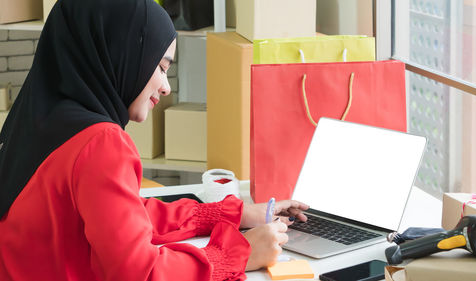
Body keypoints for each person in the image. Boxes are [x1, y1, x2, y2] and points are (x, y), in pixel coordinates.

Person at [0, 0, 309, 280]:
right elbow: (140, 273)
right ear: (121, 53)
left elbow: (124, 216)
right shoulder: (100, 142)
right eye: (161, 67)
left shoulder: (36, 124)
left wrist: (237, 214)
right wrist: (238, 253)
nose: (166, 88)